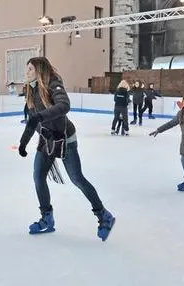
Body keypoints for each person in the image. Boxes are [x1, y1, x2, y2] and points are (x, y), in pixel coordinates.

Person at [17, 57, 115, 241]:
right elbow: (32, 121)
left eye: (30, 69)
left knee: (77, 178)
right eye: (27, 69)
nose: (27, 72)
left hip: (65, 138)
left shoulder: (53, 83)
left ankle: (103, 215)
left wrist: (41, 116)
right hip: (47, 139)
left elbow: (64, 105)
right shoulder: (30, 90)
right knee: (38, 177)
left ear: (39, 70)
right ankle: (47, 218)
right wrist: (23, 142)